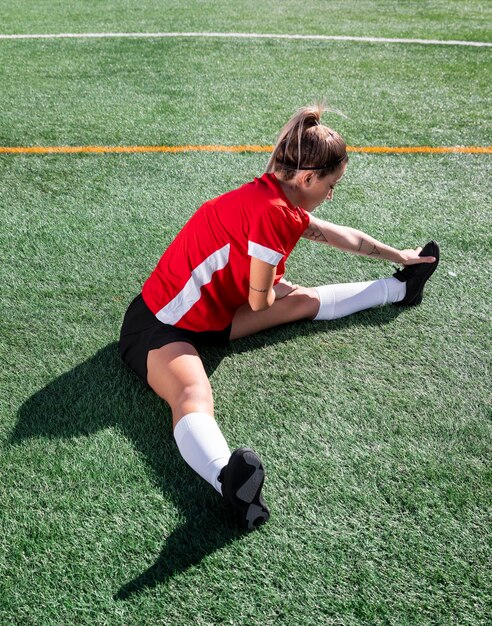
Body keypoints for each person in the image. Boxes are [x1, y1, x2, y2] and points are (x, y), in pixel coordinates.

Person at [119, 105, 439, 531]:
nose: (330, 195)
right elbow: (259, 303)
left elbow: (339, 236)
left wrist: (400, 256)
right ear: (308, 178)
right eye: (331, 186)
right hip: (157, 327)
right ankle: (225, 481)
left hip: (213, 317)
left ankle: (402, 287)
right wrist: (275, 288)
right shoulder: (273, 215)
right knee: (192, 393)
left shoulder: (274, 195)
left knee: (304, 300)